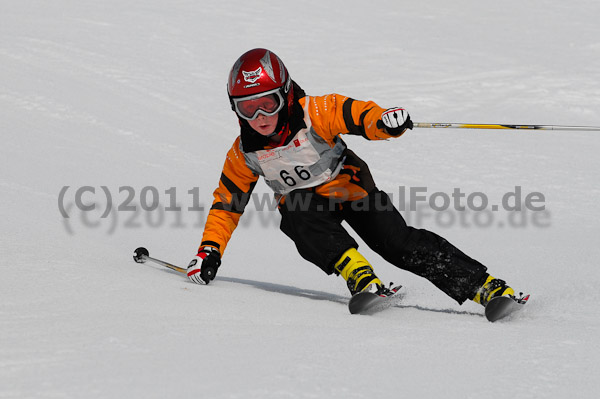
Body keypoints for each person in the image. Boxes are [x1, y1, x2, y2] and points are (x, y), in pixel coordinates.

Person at [186, 48, 517, 307]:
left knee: (398, 245)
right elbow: (228, 203)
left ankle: (484, 287)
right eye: (247, 108)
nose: (260, 117)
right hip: (308, 208)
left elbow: (361, 115)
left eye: (268, 103)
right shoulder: (244, 153)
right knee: (296, 213)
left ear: (285, 94)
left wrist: (385, 122)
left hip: (352, 190)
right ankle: (358, 274)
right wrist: (210, 250)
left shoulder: (316, 111)